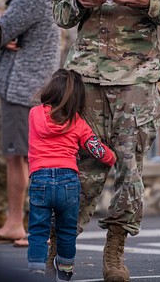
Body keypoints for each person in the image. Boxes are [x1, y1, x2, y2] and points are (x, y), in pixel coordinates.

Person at [49, 0, 160, 281]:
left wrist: (149, 2)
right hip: (86, 78)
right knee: (79, 169)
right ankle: (60, 245)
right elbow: (60, 15)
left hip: (137, 79)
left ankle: (115, 249)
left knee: (129, 169)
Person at [27, 68, 116, 281]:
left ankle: (37, 269)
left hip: (40, 179)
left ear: (50, 89)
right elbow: (97, 149)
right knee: (66, 231)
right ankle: (65, 272)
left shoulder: (35, 114)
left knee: (38, 230)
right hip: (69, 182)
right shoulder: (77, 122)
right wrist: (112, 157)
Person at [0, 0, 61, 244]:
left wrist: (2, 30)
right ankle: (15, 223)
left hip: (22, 88)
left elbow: (0, 33)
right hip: (35, 87)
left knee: (22, 159)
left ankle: (31, 227)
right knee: (24, 158)